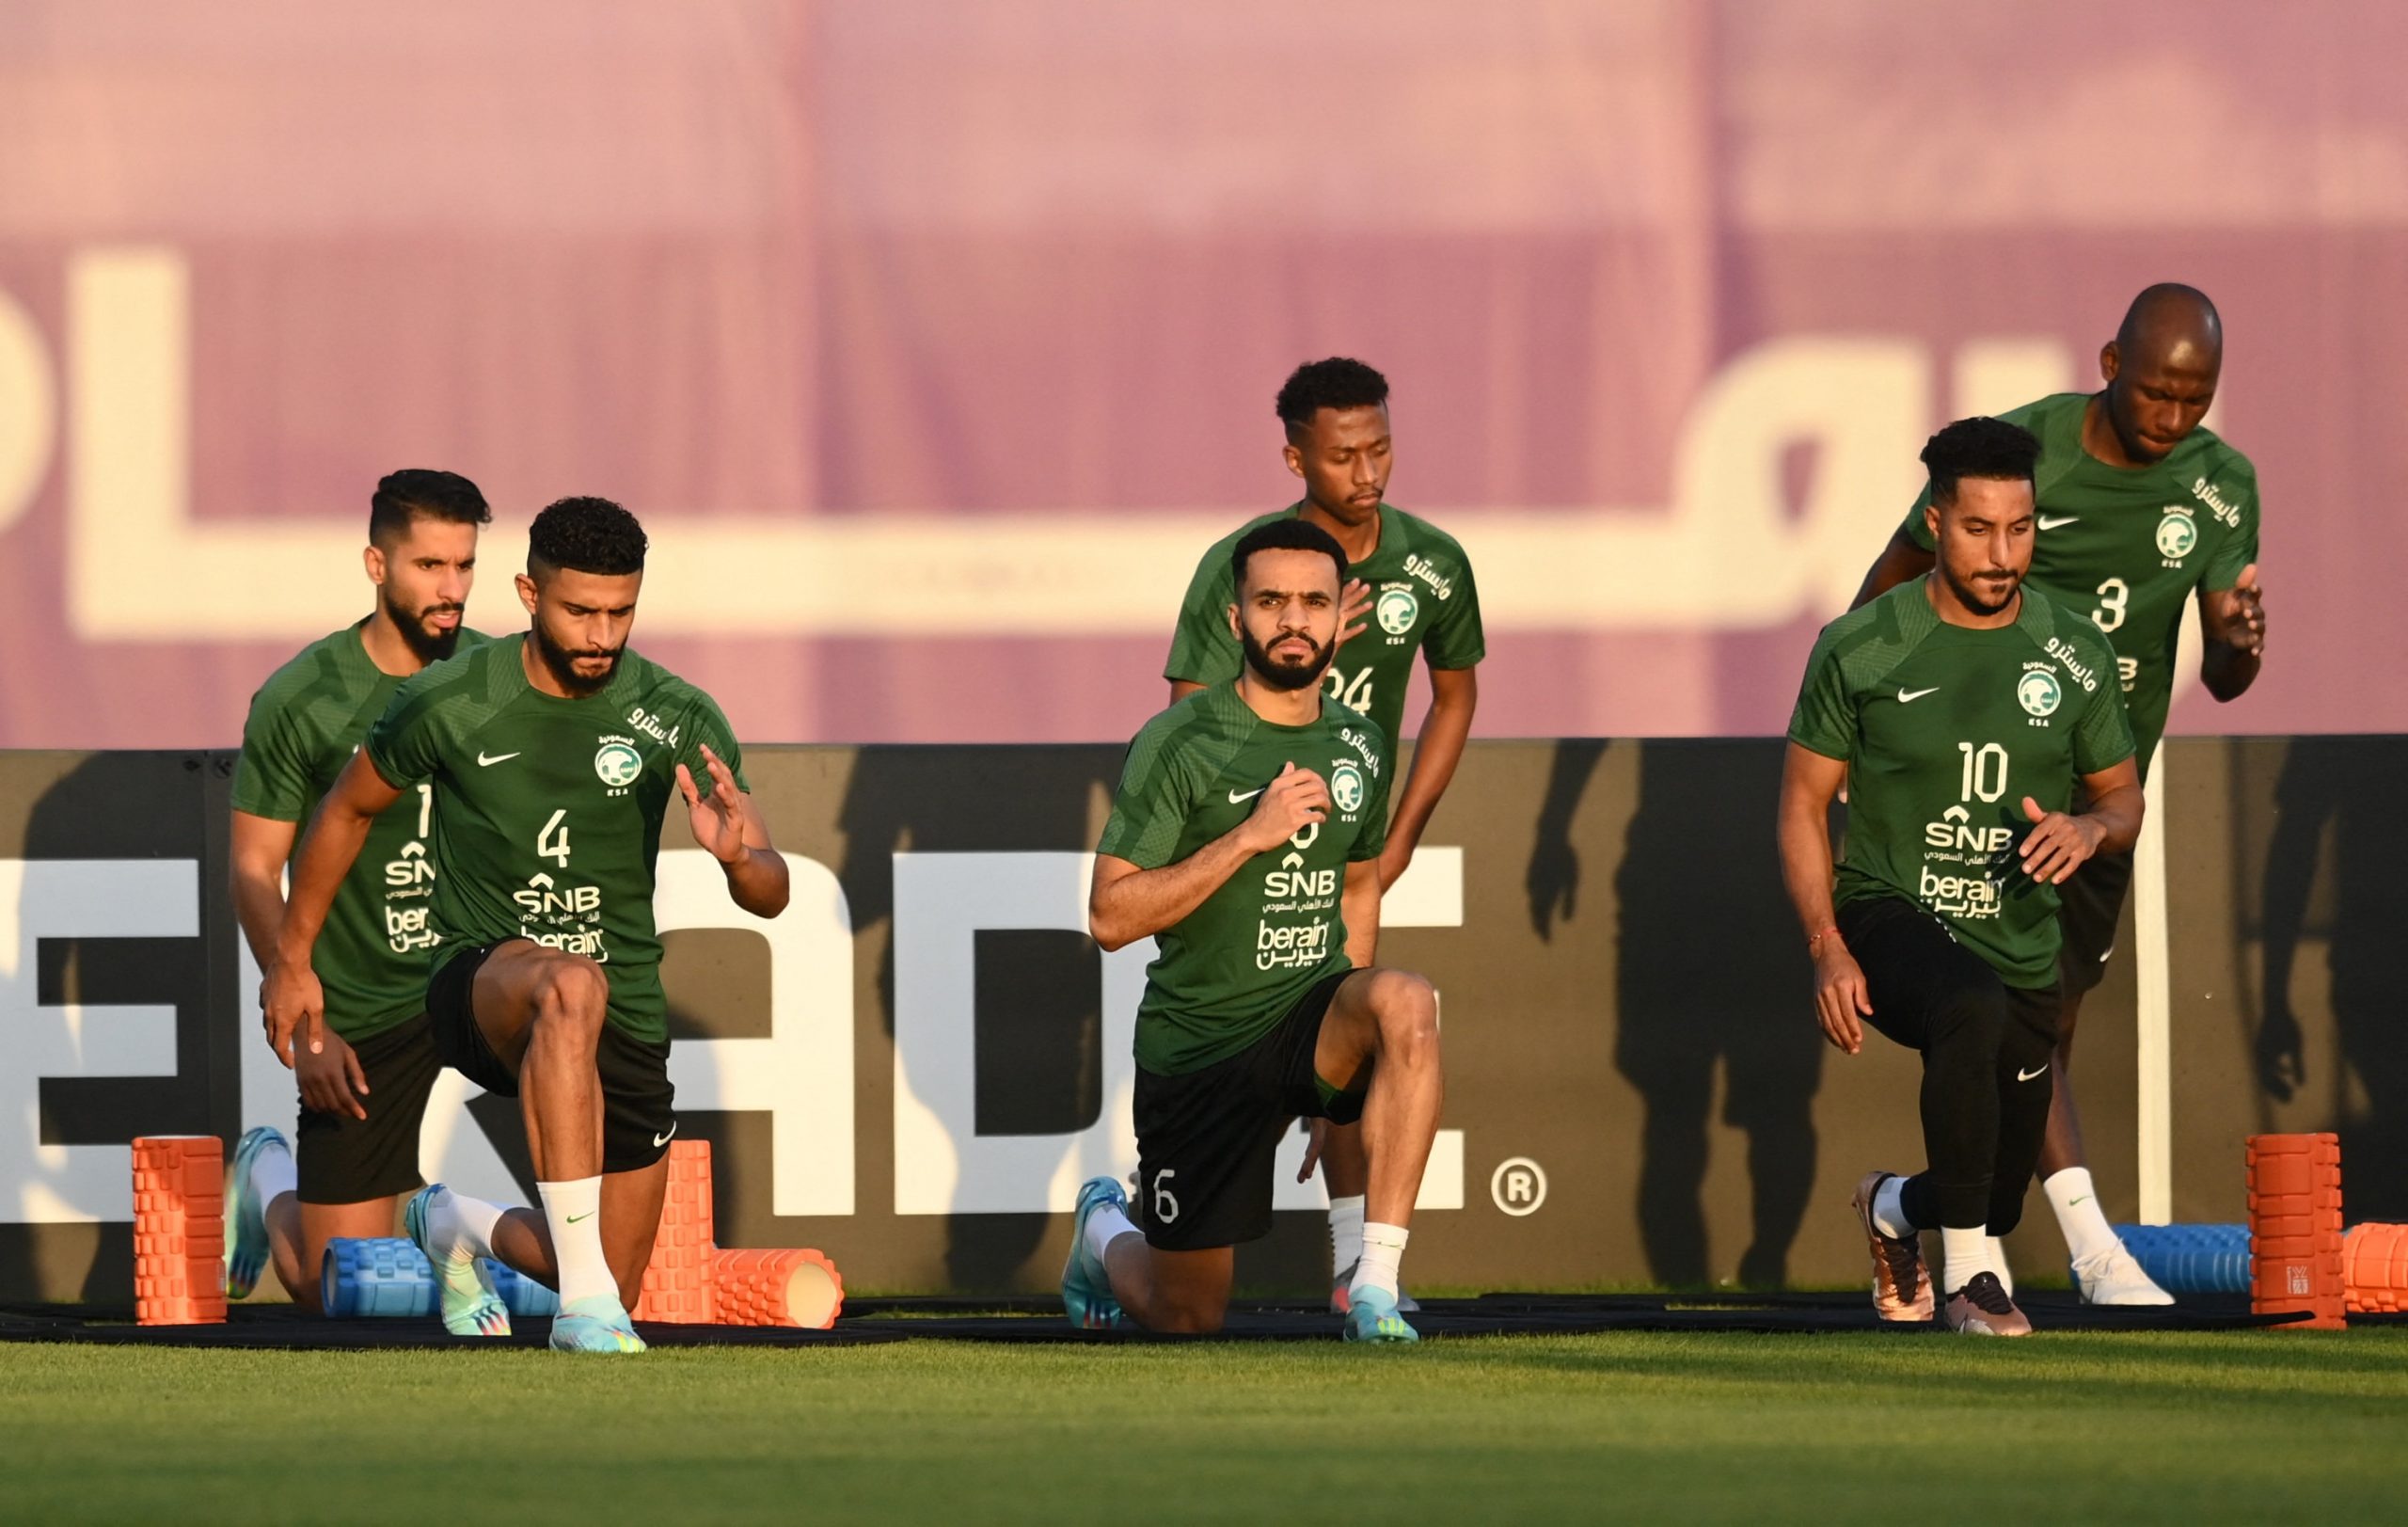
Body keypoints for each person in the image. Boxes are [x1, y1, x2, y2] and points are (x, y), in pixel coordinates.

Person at [261, 497, 789, 1353]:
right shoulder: (449, 698)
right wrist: (292, 959)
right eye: (580, 611)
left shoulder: (678, 712)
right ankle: (582, 1312)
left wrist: (738, 859)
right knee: (568, 983)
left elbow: (771, 890)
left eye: (620, 612)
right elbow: (346, 811)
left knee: (613, 1273)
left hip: (625, 1006)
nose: (601, 635)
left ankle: (456, 1224)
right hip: (481, 979)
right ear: (529, 594)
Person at [1848, 284, 2263, 1304]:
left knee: (2045, 1033)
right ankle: (2084, 1251)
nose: (2173, 416)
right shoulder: (2025, 458)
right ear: (2110, 363)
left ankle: (1913, 1208)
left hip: (2101, 798)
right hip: (1983, 789)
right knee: (1983, 1018)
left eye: (2195, 398)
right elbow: (1889, 587)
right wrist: (1862, 720)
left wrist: (2242, 641)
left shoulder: (2222, 486)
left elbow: (2224, 675)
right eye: (2157, 391)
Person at [1782, 417, 2143, 1335]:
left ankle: (1892, 1207)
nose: (2002, 554)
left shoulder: (2074, 650)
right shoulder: (1860, 645)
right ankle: (1971, 1283)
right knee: (1966, 1005)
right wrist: (1827, 946)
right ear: (1936, 523)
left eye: (2020, 529)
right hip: (1889, 911)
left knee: (1993, 1190)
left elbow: (2122, 798)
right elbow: (1801, 806)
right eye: (1979, 529)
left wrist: (2088, 827)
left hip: (2019, 938)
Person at [1069, 518, 1445, 1342]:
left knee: (1406, 1001)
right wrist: (1248, 836)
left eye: (1314, 601)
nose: (1294, 619)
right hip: (1202, 1045)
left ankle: (1374, 1286)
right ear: (1237, 619)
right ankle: (1102, 1228)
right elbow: (1109, 917)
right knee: (1186, 1314)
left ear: (1341, 617)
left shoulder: (1359, 742)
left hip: (1306, 1019)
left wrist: (1345, 1075)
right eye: (1272, 601)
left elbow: (1358, 887)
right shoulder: (1179, 741)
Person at [1164, 357, 1481, 1312]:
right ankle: (1137, 1219)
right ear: (1295, 459)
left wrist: (1401, 831)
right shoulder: (1248, 569)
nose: (1367, 471)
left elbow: (1455, 695)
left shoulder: (1432, 563)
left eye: (1380, 447)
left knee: (1366, 1028)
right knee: (1248, 1072)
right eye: (1343, 455)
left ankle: (1359, 1271)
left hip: (1347, 852)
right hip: (1244, 854)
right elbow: (1187, 715)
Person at [223, 469, 491, 1317]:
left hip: (479, 980)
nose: (451, 588)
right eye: (429, 565)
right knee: (334, 1284)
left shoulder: (500, 677)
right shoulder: (302, 697)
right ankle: (268, 1174)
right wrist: (305, 1018)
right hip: (366, 1005)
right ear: (377, 565)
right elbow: (255, 868)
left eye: (464, 564)